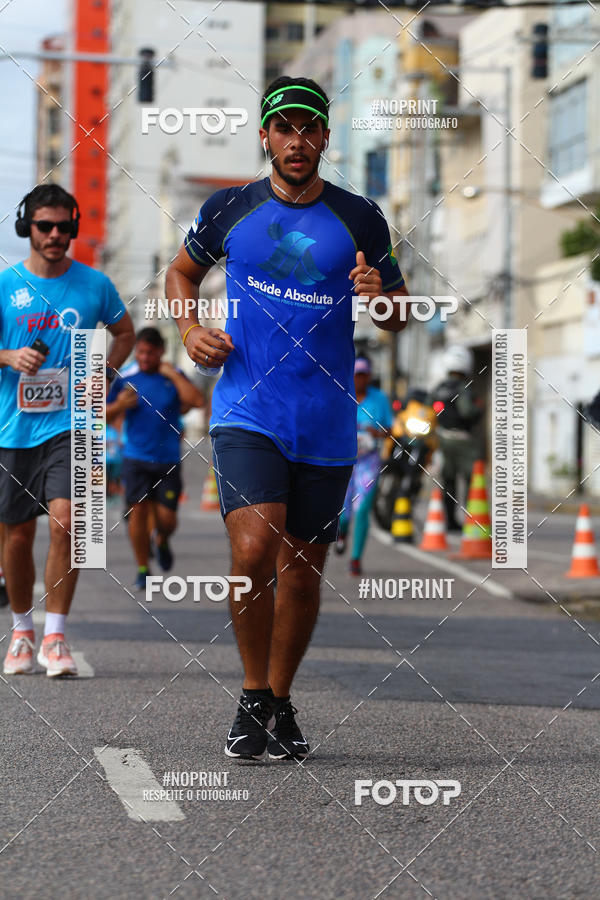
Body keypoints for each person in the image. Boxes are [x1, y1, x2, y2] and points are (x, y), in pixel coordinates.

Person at [166, 75, 413, 761]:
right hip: (249, 408)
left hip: (327, 418)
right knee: (253, 550)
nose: (296, 141)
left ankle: (278, 697)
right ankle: (250, 693)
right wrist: (188, 330)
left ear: (325, 137)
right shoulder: (228, 210)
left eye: (309, 128)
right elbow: (179, 274)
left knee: (303, 572)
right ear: (266, 136)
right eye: (284, 128)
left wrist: (379, 296)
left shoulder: (361, 218)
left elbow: (397, 315)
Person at [0, 183, 134, 676]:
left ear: (73, 229)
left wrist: (105, 371)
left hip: (72, 426)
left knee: (68, 524)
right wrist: (8, 356)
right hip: (12, 430)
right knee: (15, 539)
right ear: (27, 229)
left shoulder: (95, 285)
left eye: (63, 227)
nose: (55, 235)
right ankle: (20, 631)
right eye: (44, 227)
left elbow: (124, 333)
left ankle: (55, 636)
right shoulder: (4, 284)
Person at [106, 327, 204, 589]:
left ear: (160, 351)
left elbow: (197, 400)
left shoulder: (172, 375)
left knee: (167, 520)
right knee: (137, 513)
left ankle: (161, 539)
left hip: (167, 460)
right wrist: (120, 406)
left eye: (150, 353)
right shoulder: (126, 377)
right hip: (135, 457)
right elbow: (99, 414)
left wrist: (171, 372)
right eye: (140, 352)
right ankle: (142, 568)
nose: (144, 357)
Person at [336, 356, 392, 575]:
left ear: (369, 376)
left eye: (363, 374)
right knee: (343, 511)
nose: (360, 379)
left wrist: (374, 433)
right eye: (356, 374)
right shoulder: (341, 394)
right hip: (343, 459)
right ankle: (341, 532)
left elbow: (389, 430)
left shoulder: (379, 399)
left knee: (363, 509)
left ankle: (356, 558)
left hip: (368, 461)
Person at [433, 345, 484, 531]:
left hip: (443, 439)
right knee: (472, 480)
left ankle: (450, 521)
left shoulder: (439, 388)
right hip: (464, 441)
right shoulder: (464, 388)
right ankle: (473, 520)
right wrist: (478, 408)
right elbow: (467, 411)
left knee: (449, 482)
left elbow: (429, 408)